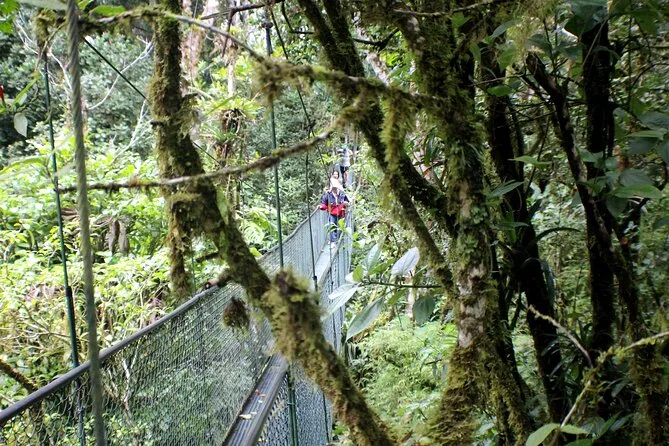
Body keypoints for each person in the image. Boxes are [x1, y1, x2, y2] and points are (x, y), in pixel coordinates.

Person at [318, 178, 349, 247]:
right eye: (333, 188)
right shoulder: (328, 195)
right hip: (332, 213)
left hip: (341, 213)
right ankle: (333, 241)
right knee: (331, 226)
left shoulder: (342, 194)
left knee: (340, 227)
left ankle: (338, 240)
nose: (334, 189)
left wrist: (346, 203)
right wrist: (321, 206)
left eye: (335, 187)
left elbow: (347, 201)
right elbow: (324, 204)